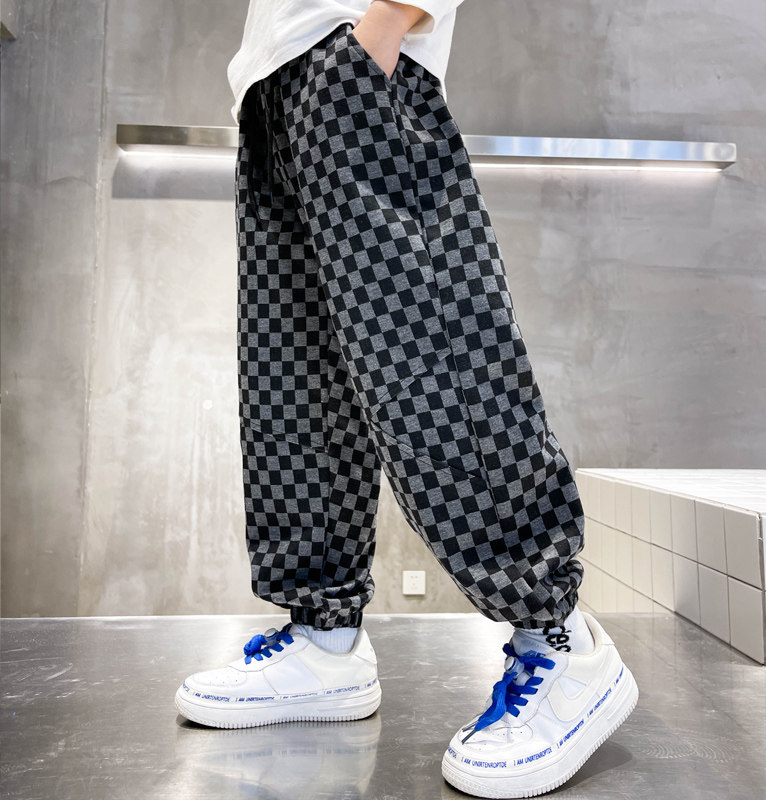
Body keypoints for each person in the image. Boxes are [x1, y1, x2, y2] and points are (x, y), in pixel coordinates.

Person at [175, 1, 638, 796]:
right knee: (299, 383)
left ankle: (561, 644)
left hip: (356, 61)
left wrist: (386, 23)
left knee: (433, 364)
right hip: (271, 86)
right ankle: (325, 642)